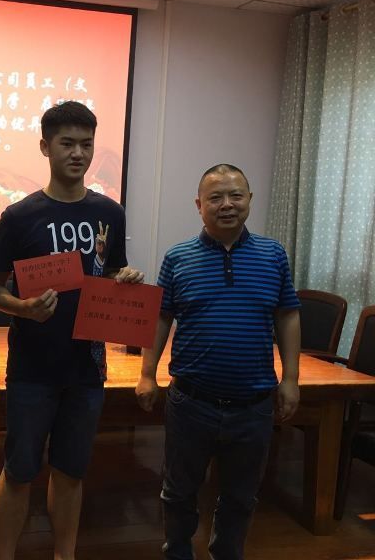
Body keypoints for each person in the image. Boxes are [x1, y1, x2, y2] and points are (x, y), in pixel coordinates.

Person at [0, 101, 144, 560]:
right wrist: (24, 308)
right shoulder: (19, 216)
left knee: (71, 471)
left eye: (86, 144)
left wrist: (124, 279)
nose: (78, 153)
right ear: (45, 147)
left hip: (87, 369)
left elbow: (108, 273)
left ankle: (65, 554)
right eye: (67, 143)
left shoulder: (109, 212)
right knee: (19, 471)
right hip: (32, 369)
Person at [135, 164, 301, 560]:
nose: (227, 204)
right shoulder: (178, 257)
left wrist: (291, 379)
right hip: (191, 402)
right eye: (215, 197)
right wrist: (146, 374)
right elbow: (161, 317)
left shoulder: (273, 255)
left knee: (241, 496)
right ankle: (177, 552)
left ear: (249, 200)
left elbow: (287, 315)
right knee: (178, 491)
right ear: (199, 205)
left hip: (253, 404)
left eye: (235, 195)